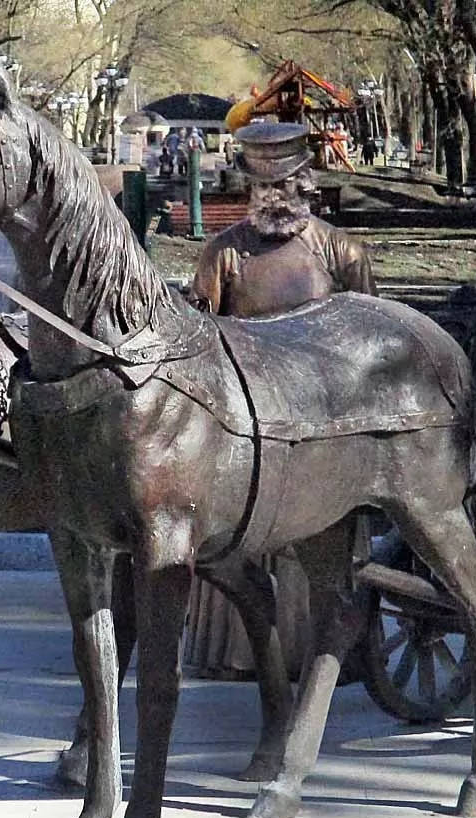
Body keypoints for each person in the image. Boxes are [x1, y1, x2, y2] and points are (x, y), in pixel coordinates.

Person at [184, 121, 375, 680]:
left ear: (306, 184)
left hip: (322, 423)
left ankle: (326, 651)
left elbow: (372, 340)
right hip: (246, 420)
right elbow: (201, 336)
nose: (274, 197)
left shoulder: (341, 251)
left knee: (318, 544)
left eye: (285, 185)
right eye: (263, 186)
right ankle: (237, 653)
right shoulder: (223, 254)